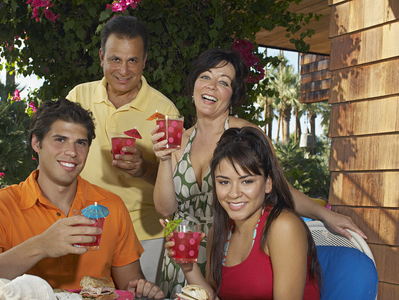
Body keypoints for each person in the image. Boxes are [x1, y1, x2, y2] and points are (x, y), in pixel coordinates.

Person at [151, 48, 366, 296]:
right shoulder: (179, 139)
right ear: (193, 85)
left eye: (223, 82)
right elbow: (166, 209)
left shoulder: (246, 136)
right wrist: (164, 159)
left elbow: (278, 185)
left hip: (244, 242)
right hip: (194, 250)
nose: (211, 86)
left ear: (233, 95)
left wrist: (322, 213)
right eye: (205, 77)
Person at [0, 98, 164, 299]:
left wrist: (142, 290)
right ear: (36, 143)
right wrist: (40, 246)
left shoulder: (112, 205)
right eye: (60, 140)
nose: (72, 152)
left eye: (80, 143)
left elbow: (130, 284)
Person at [66, 15, 179, 283]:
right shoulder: (77, 97)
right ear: (101, 56)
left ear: (144, 60)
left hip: (145, 237)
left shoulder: (165, 111)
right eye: (116, 59)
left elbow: (175, 184)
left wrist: (143, 169)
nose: (124, 70)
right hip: (83, 229)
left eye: (133, 60)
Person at [164, 126, 322, 299]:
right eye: (224, 182)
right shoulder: (218, 232)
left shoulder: (283, 227)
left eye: (246, 181)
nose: (234, 193)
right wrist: (189, 266)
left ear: (268, 183)